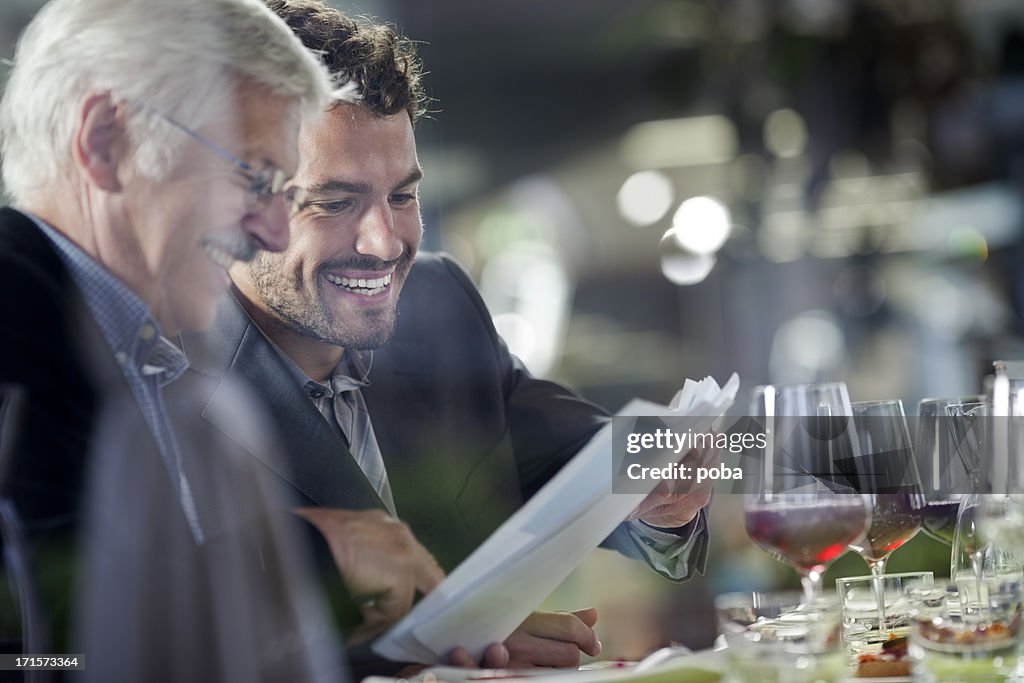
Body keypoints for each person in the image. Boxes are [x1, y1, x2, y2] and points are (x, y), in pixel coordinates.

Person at [177, 0, 714, 671]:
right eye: (336, 202)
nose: (383, 242)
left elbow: (600, 472)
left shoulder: (439, 305)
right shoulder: (153, 387)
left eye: (402, 196)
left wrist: (663, 501)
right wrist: (418, 644)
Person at [0, 0, 344, 676]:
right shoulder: (18, 349)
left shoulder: (160, 364)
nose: (276, 234)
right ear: (105, 141)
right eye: (255, 176)